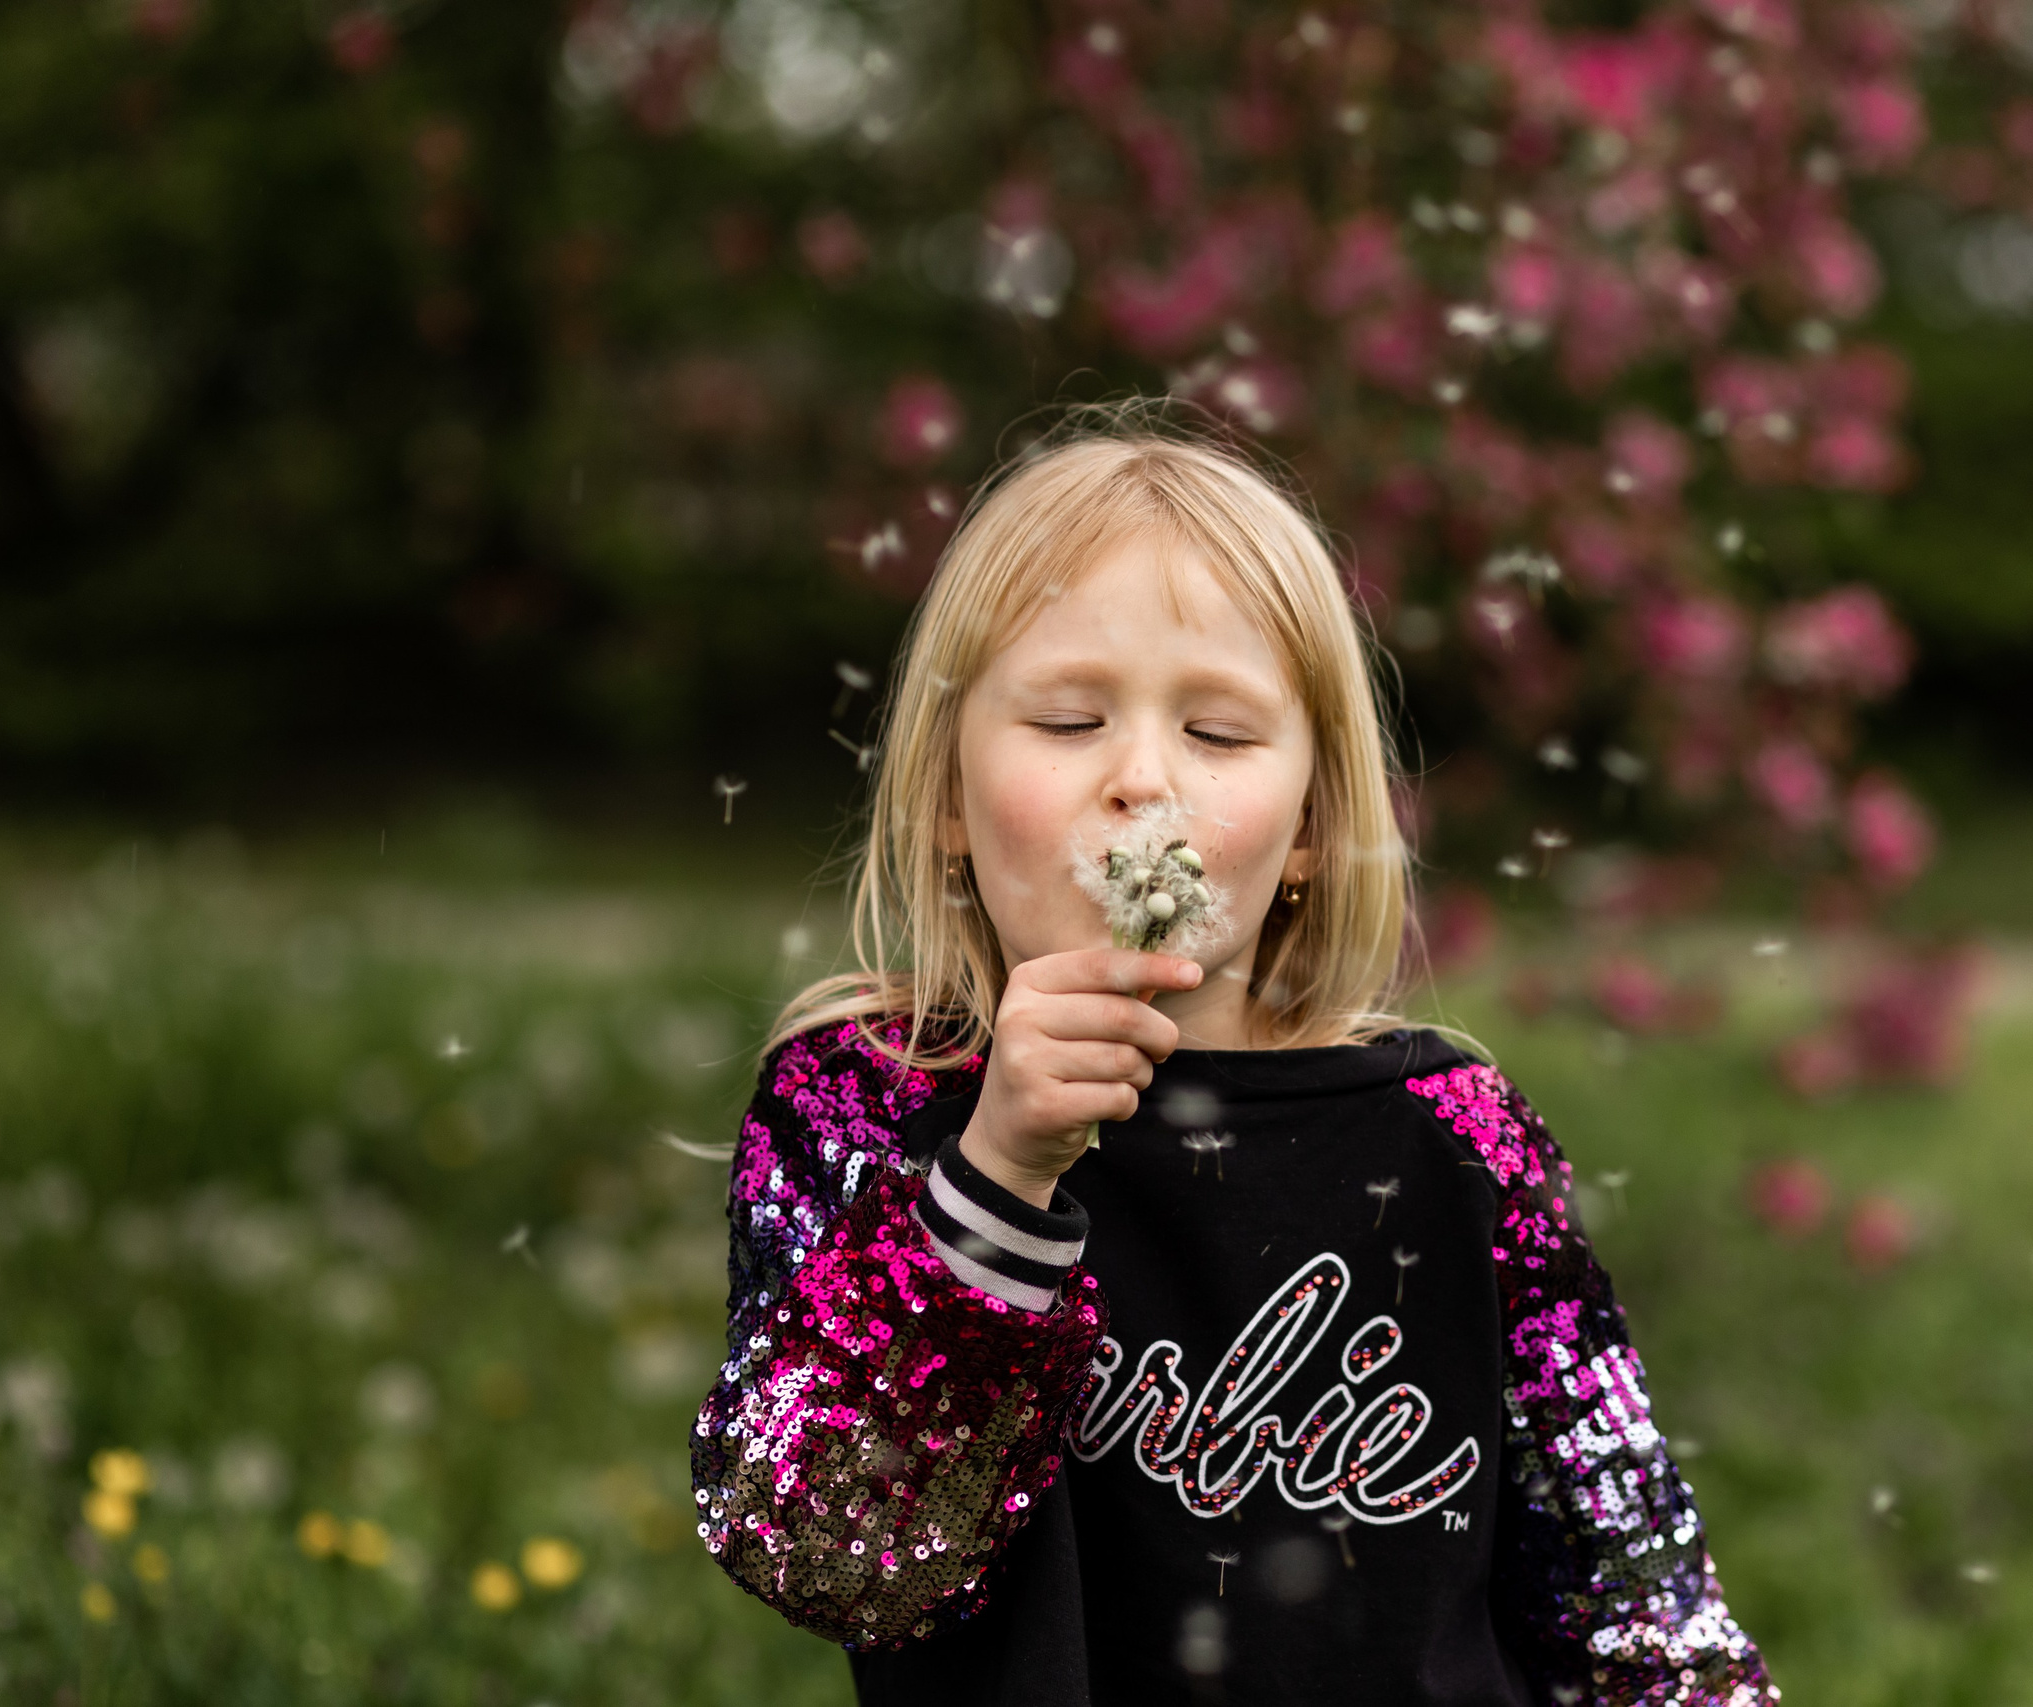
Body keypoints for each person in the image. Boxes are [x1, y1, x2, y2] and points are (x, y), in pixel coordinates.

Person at [689, 412, 1775, 1707]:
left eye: (1218, 736)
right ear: (944, 799)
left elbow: (1636, 1610)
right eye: (1069, 717)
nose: (1145, 780)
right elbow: (825, 1557)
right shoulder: (868, 1100)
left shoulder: (1454, 1134)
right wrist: (996, 1174)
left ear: (1312, 824)